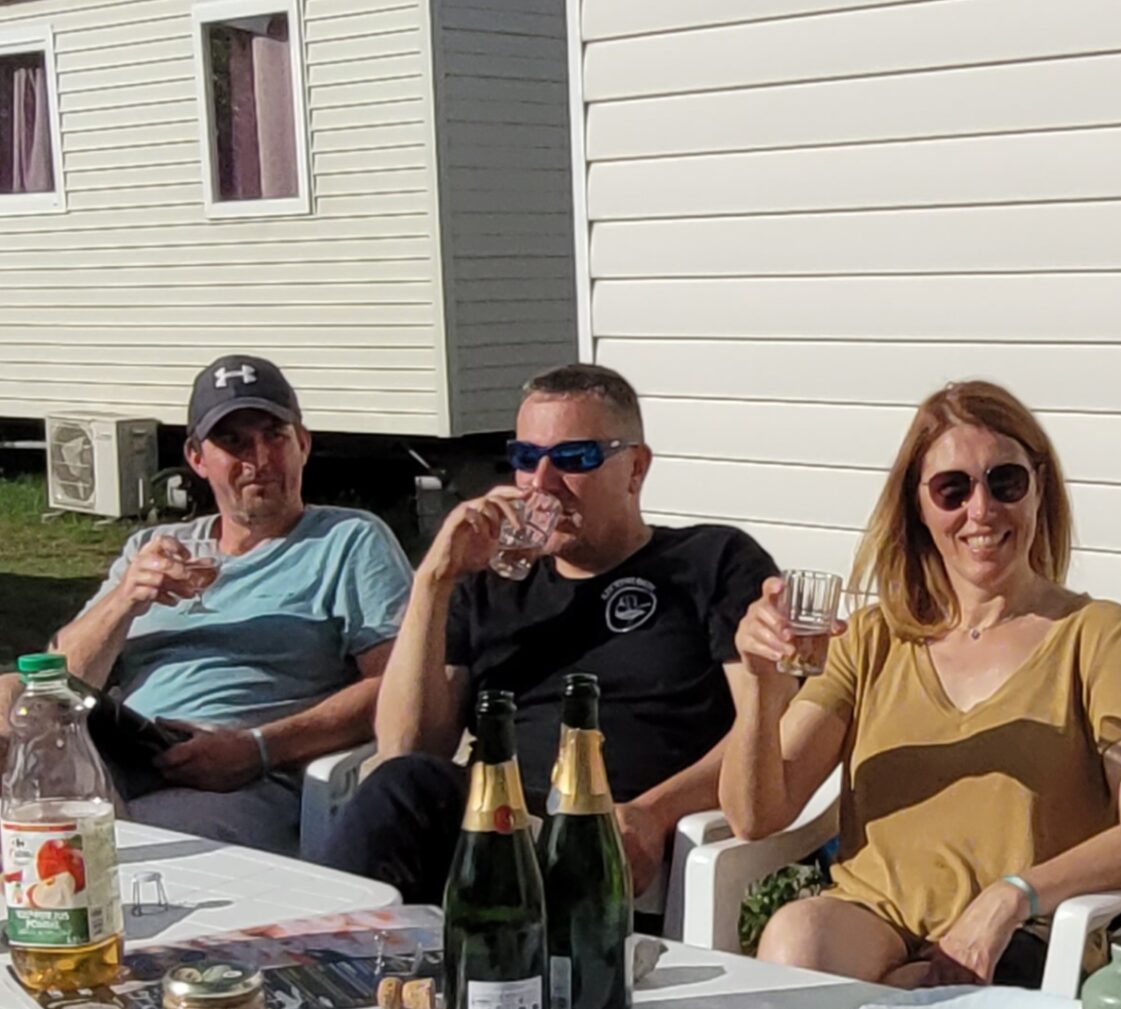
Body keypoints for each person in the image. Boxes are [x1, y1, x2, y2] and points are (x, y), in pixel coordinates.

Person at [721, 380, 1121, 986]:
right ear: (918, 506)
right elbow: (755, 816)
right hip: (873, 922)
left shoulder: (1096, 634)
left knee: (894, 1001)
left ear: (1039, 488)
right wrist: (760, 686)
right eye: (952, 489)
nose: (981, 510)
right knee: (795, 940)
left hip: (1024, 938)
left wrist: (1010, 896)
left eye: (1005, 481)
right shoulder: (873, 637)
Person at [318, 363, 774, 902]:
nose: (542, 482)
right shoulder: (487, 583)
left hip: (614, 828)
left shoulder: (711, 562)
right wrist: (434, 580)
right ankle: (331, 948)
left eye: (573, 458)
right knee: (402, 788)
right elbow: (407, 747)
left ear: (635, 468)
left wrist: (656, 811)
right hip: (494, 824)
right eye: (525, 458)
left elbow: (769, 725)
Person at [42, 355, 409, 853]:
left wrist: (257, 749)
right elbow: (59, 680)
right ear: (196, 458)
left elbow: (397, 686)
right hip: (122, 754)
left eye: (274, 436)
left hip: (236, 780)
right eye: (233, 442)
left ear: (303, 444)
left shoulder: (349, 540)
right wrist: (125, 599)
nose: (259, 459)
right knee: (10, 695)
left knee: (120, 840)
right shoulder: (152, 548)